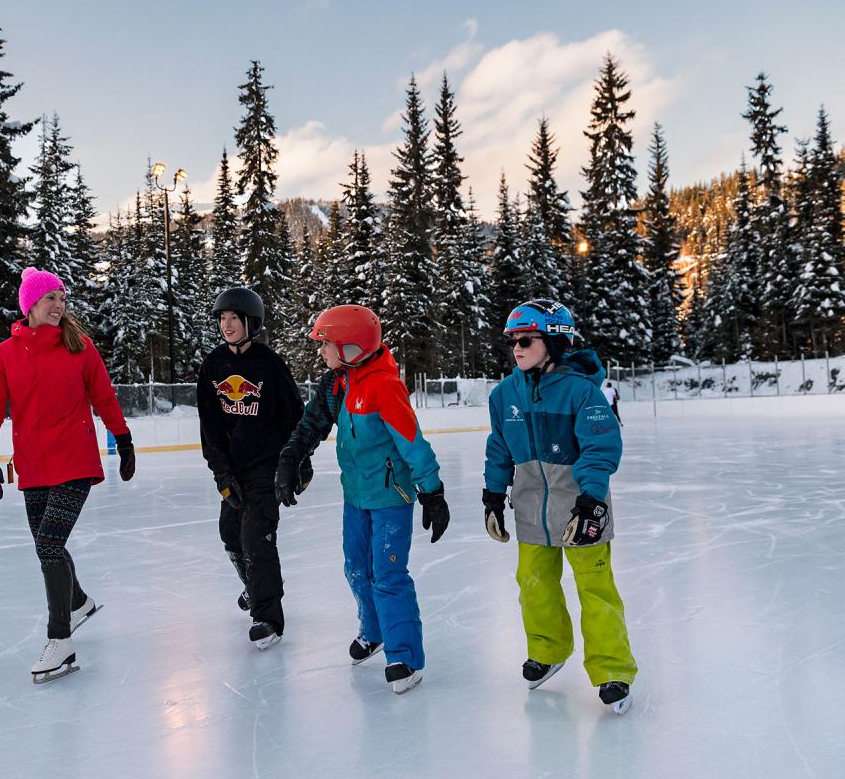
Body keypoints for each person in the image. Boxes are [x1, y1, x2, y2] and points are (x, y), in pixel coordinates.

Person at [275, 305, 450, 694]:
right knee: (356, 568)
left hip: (391, 498)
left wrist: (432, 492)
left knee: (388, 575)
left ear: (351, 347)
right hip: (355, 496)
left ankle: (405, 657)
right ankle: (374, 631)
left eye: (326, 344)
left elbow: (413, 442)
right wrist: (290, 457)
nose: (321, 351)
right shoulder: (337, 383)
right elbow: (311, 424)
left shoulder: (384, 387)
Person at [0, 267, 136, 684]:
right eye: (51, 298)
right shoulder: (5, 355)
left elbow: (103, 396)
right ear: (30, 305)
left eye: (62, 299)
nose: (59, 305)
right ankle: (77, 602)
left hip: (75, 462)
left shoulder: (79, 347)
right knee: (48, 547)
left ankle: (60, 639)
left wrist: (123, 438)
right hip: (33, 467)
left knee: (48, 544)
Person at [482, 299, 636, 714]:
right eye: (512, 340)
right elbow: (499, 447)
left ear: (554, 341)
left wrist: (591, 501)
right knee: (533, 584)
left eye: (526, 340)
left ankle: (613, 670)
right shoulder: (505, 394)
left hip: (580, 508)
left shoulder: (581, 392)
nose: (516, 348)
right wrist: (493, 496)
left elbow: (601, 448)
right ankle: (548, 650)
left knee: (596, 589)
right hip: (531, 508)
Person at [196, 287, 306, 650]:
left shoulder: (269, 364)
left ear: (251, 322)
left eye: (234, 318)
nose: (226, 325)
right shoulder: (212, 366)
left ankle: (267, 617)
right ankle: (256, 586)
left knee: (256, 539)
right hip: (234, 469)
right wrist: (221, 473)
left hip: (267, 468)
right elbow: (210, 428)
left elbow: (296, 416)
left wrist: (297, 462)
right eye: (222, 318)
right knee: (230, 533)